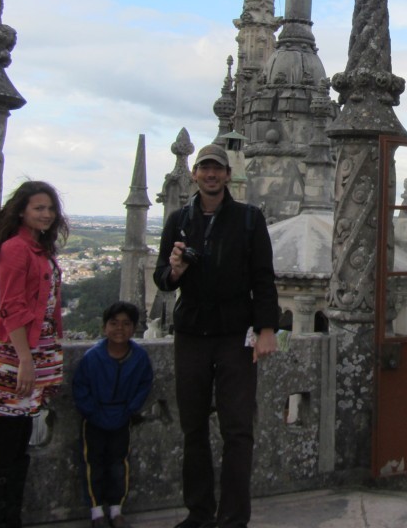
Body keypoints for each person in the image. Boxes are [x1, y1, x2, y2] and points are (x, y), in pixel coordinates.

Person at [153, 143, 280, 528]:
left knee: (237, 430)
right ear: (195, 174)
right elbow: (163, 279)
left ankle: (233, 518)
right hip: (191, 333)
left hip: (233, 336)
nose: (210, 175)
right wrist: (175, 270)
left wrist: (267, 329)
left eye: (217, 169)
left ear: (227, 175)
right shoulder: (178, 220)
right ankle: (199, 513)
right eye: (204, 168)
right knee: (192, 427)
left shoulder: (248, 219)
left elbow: (263, 277)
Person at [0, 180, 70, 528]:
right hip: (18, 354)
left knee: (18, 443)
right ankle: (1, 520)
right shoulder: (15, 248)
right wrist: (26, 360)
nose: (46, 214)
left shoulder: (38, 248)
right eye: (38, 208)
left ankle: (9, 517)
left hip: (34, 351)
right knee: (7, 444)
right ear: (22, 211)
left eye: (50, 208)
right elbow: (11, 306)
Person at [73, 301, 154, 528]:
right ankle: (97, 511)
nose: (120, 329)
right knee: (93, 464)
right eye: (114, 323)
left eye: (126, 324)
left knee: (119, 465)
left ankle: (116, 510)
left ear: (134, 328)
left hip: (121, 418)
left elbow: (144, 384)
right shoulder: (93, 357)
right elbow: (80, 387)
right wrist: (93, 412)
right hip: (94, 420)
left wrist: (129, 410)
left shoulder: (138, 357)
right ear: (104, 327)